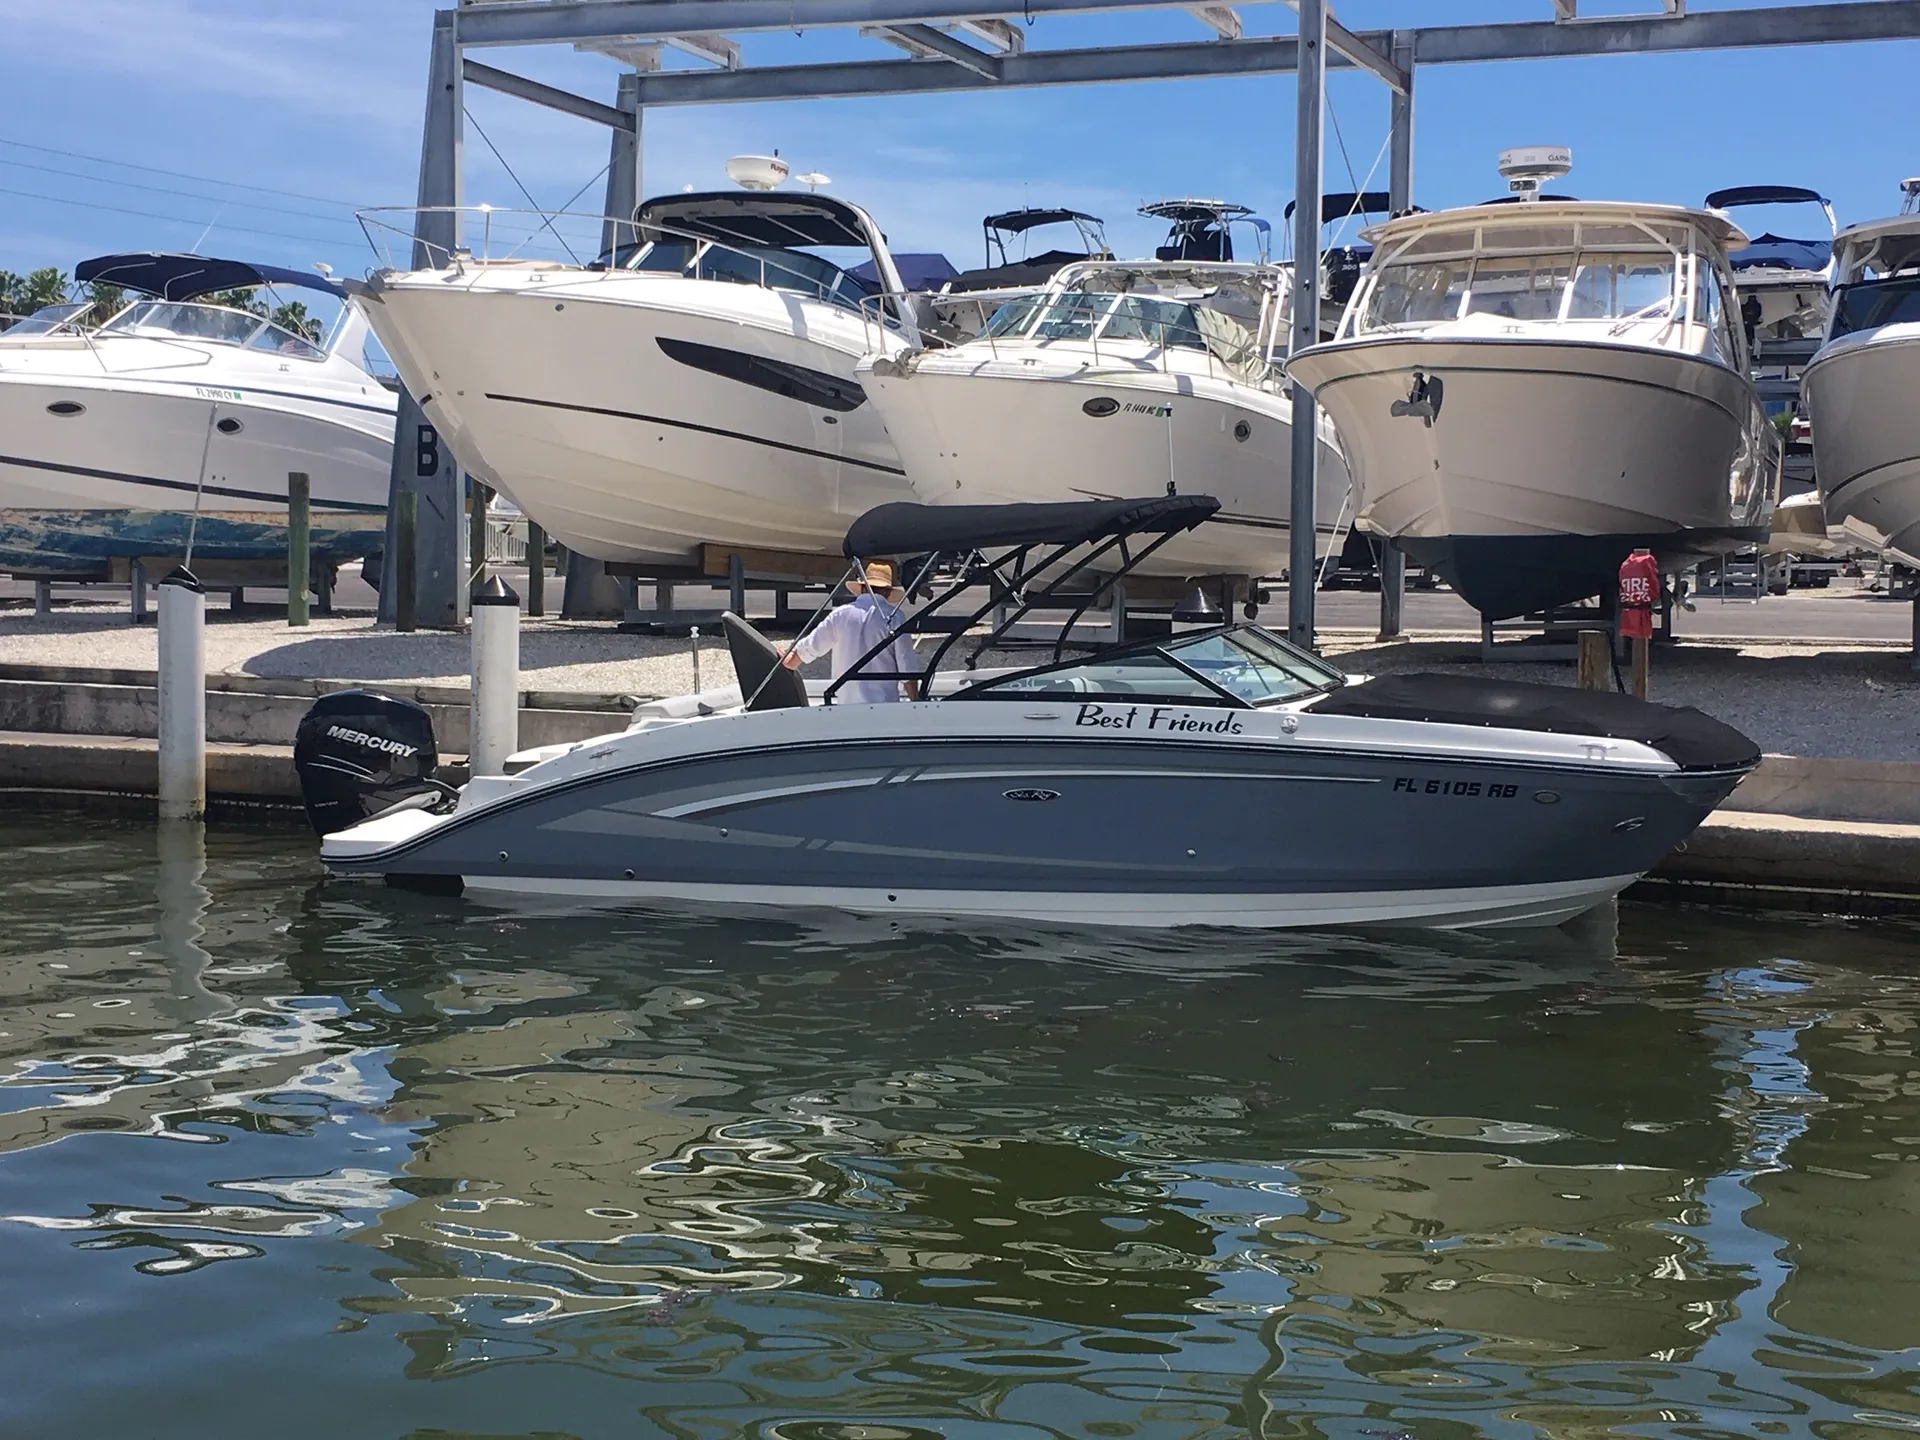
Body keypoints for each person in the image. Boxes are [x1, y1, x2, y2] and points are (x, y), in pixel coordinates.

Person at [782, 559, 920, 703]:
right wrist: (916, 701)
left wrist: (788, 662)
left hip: (847, 705)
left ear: (862, 588)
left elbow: (811, 647)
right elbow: (906, 666)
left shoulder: (840, 614)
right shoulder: (895, 617)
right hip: (883, 706)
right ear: (888, 592)